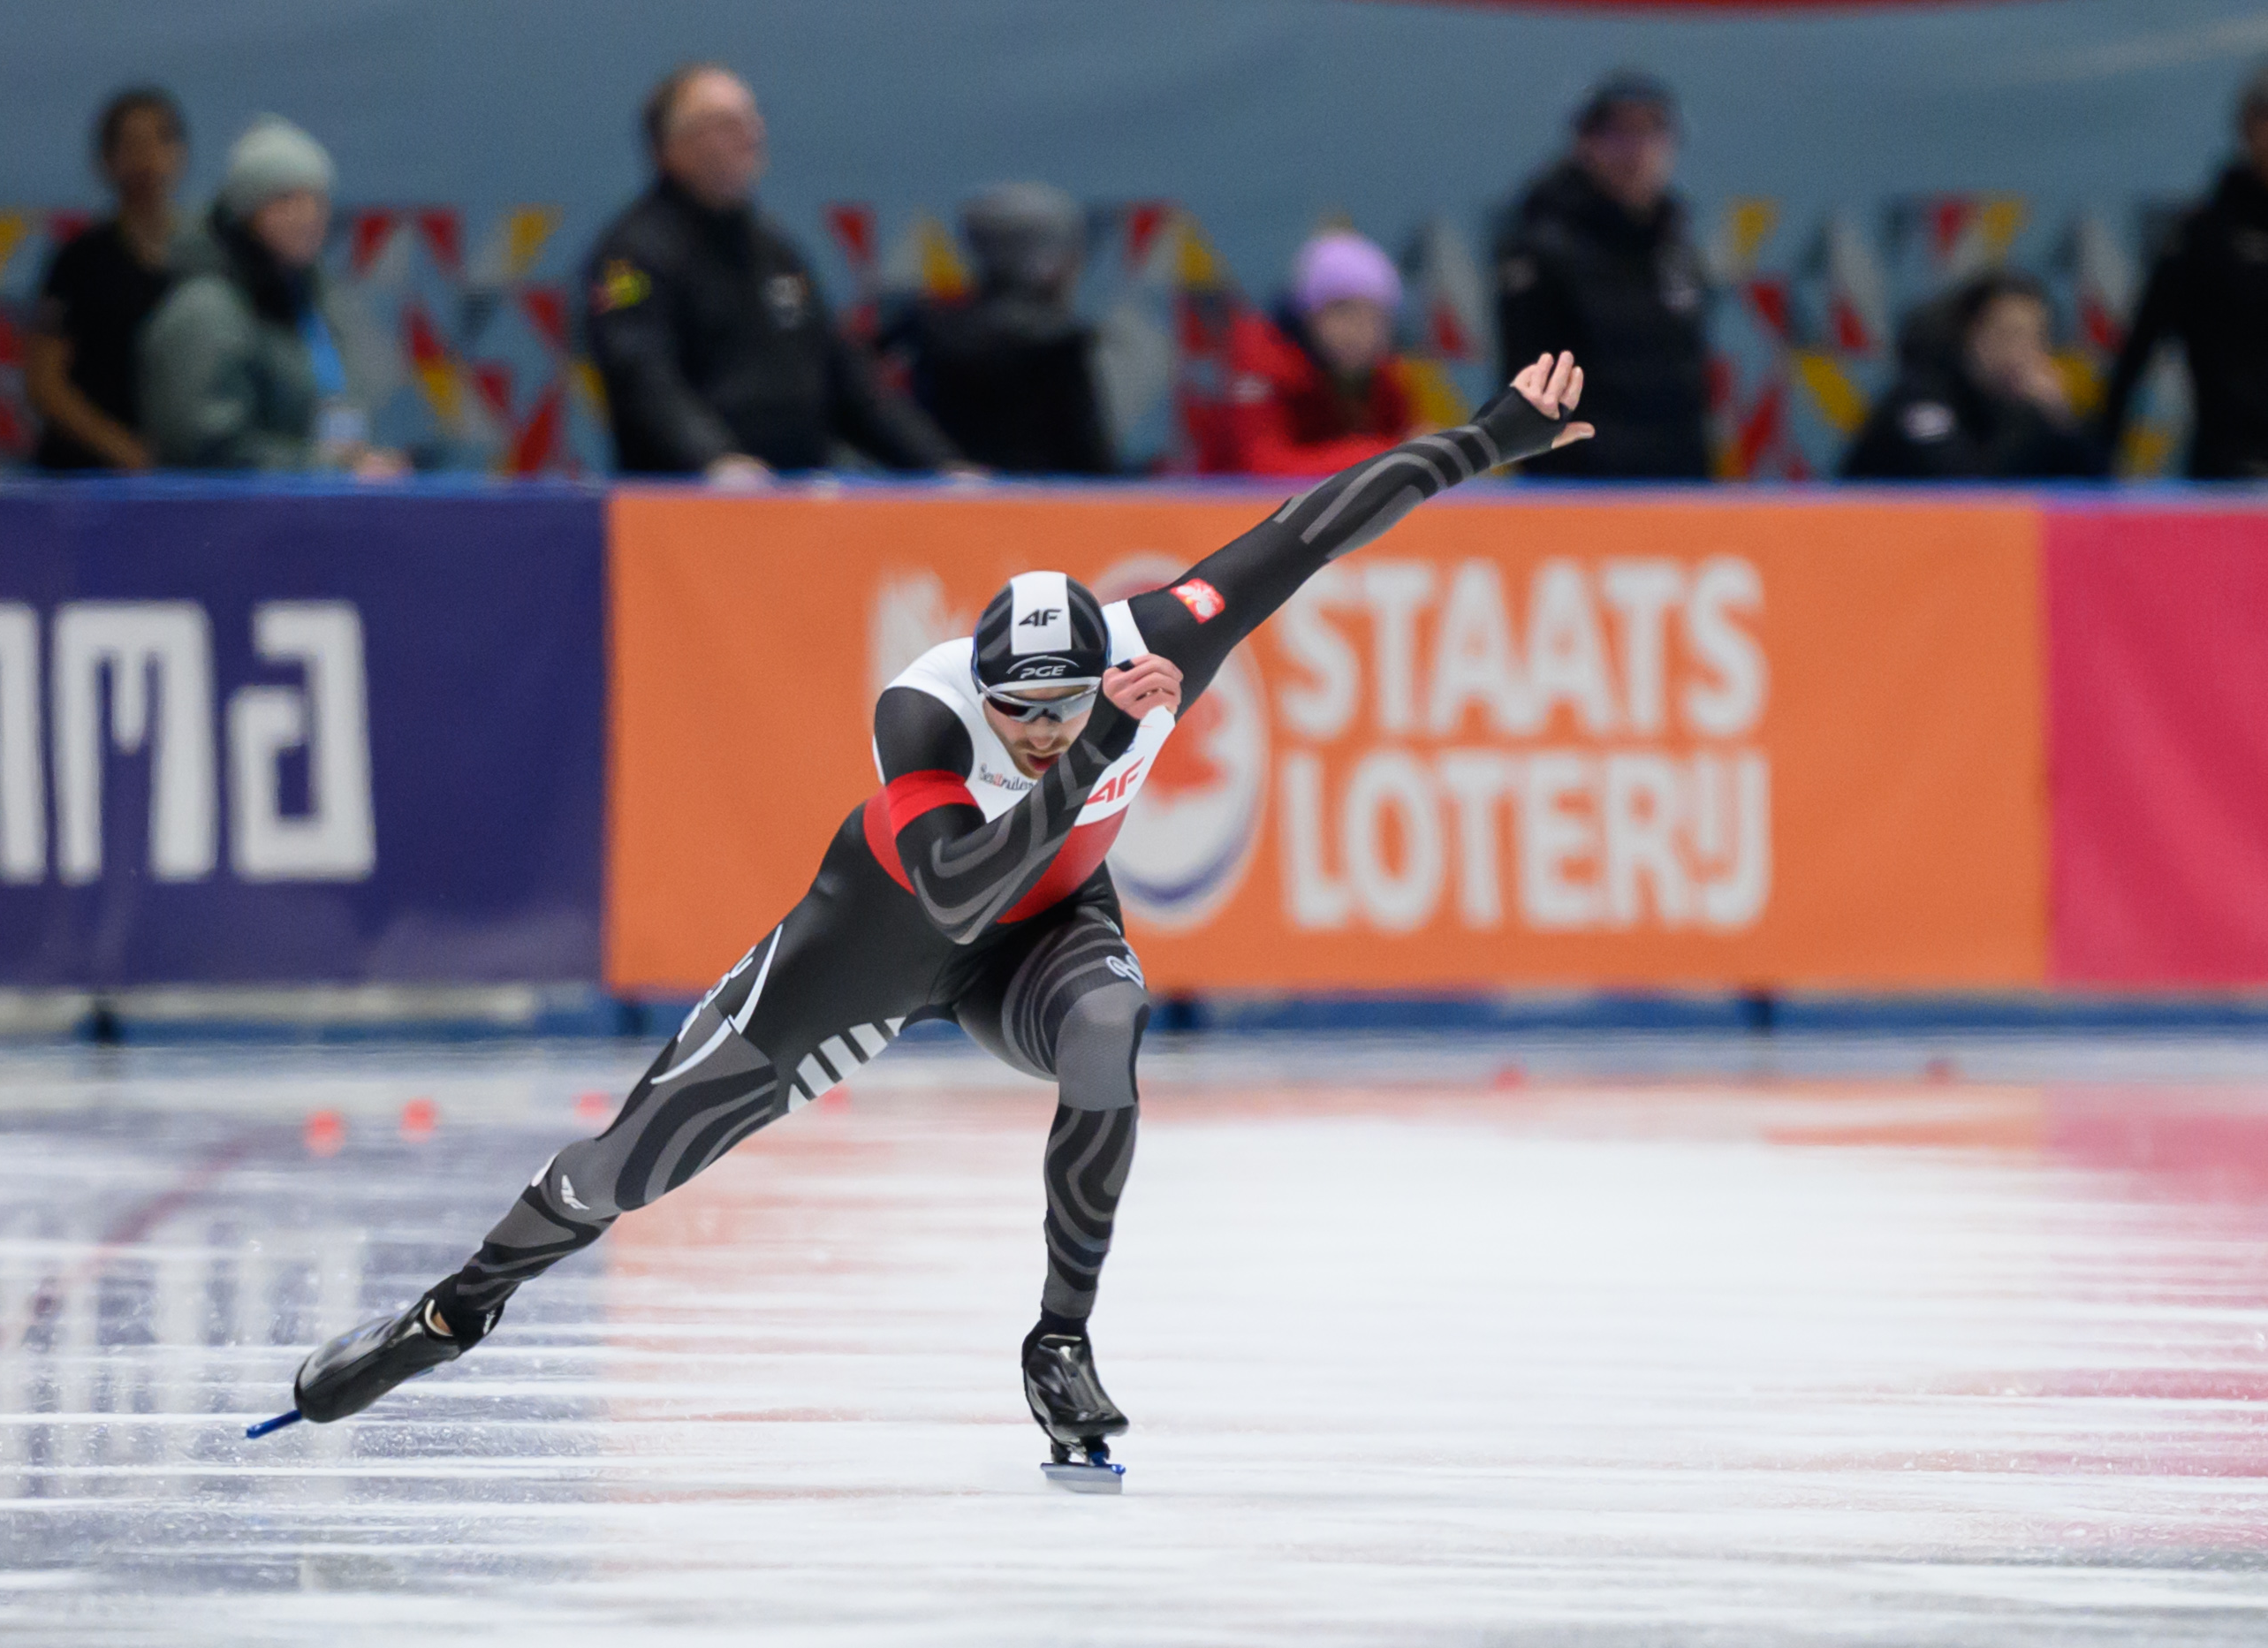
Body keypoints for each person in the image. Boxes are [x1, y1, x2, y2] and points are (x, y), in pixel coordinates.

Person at [272, 352, 1596, 1482]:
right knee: (625, 1168)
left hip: (1047, 924)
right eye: (1015, 711)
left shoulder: (1160, 645)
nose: (1035, 731)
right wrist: (1091, 757)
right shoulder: (924, 712)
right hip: (878, 941)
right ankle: (456, 1307)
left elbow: (1309, 528)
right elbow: (957, 886)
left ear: (1098, 668)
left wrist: (1492, 435)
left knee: (1109, 1021)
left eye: (1060, 708)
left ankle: (1060, 1340)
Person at [582, 63, 961, 483]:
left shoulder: (777, 253)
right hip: (685, 509)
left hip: (796, 505)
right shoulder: (627, 258)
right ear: (669, 148)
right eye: (724, 123)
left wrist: (943, 471)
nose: (750, 135)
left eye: (752, 118)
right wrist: (718, 462)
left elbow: (848, 383)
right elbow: (640, 375)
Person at [138, 116, 405, 475]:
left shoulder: (314, 304)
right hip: (225, 526)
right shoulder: (205, 310)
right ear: (246, 213)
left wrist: (352, 464)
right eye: (285, 199)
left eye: (316, 199)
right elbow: (208, 451)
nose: (306, 215)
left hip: (301, 519)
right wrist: (331, 469)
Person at [1495, 71, 1709, 479]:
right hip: (1580, 495)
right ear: (1585, 144)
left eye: (1651, 134)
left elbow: (1691, 386)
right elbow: (1532, 394)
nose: (1636, 152)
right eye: (1619, 134)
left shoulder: (1676, 244)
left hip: (1678, 489)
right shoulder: (1542, 250)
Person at [2099, 63, 2268, 480]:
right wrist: (2099, 457)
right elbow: (2140, 348)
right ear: (2250, 129)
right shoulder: (2201, 238)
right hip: (2230, 464)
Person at [888, 182, 1114, 475]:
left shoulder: (928, 330)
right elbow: (1092, 460)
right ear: (1044, 258)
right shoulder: (1060, 346)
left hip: (946, 504)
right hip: (1047, 510)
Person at [26, 87, 187, 472]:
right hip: (84, 475)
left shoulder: (207, 260)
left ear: (180, 153)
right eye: (132, 145)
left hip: (179, 475)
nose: (148, 159)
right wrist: (121, 448)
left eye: (160, 142)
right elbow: (44, 384)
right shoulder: (79, 261)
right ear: (106, 161)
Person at [1840, 271, 2105, 482]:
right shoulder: (1921, 397)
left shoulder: (2027, 410)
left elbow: (2097, 492)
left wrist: (2063, 423)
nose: (2022, 352)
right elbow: (1963, 491)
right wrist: (2030, 428)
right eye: (2008, 334)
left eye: (2036, 338)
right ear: (1969, 336)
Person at [1218, 230, 1420, 477]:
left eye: (1376, 318)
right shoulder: (1260, 358)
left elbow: (1400, 452)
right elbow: (1263, 467)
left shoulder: (1384, 375)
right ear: (1308, 313)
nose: (1361, 331)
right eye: (1343, 311)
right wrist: (1389, 455)